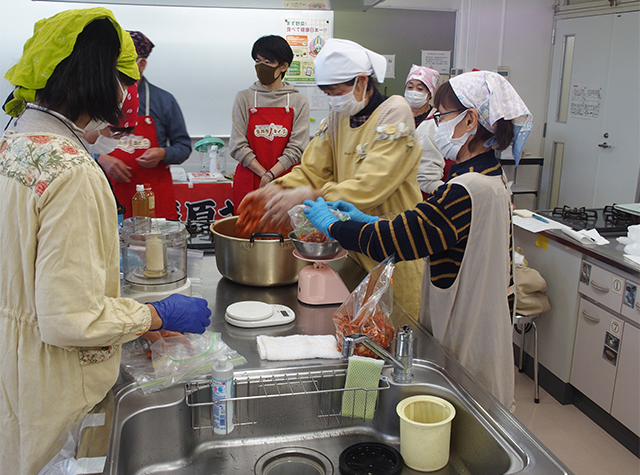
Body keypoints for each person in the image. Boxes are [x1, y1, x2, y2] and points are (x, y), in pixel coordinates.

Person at [0, 10, 211, 473]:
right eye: (122, 81)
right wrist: (156, 312)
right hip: (52, 385)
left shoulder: (13, 143)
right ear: (100, 78)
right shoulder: (73, 171)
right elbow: (70, 319)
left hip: (14, 367)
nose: (124, 96)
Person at [303, 71, 533, 411]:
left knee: (461, 422)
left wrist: (334, 227)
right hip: (477, 321)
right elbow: (421, 228)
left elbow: (397, 242)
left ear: (471, 119)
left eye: (441, 115)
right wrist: (370, 220)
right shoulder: (486, 178)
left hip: (467, 333)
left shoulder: (467, 189)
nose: (435, 124)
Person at [250, 38, 424, 318]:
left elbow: (371, 187)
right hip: (352, 245)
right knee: (357, 331)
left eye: (335, 91)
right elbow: (312, 169)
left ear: (362, 82)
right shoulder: (338, 116)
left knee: (391, 331)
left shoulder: (394, 113)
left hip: (392, 244)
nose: (332, 99)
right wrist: (276, 189)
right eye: (326, 92)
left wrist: (309, 195)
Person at [96, 30, 192, 219]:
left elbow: (183, 146)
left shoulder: (163, 100)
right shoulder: (98, 99)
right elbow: (77, 143)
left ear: (142, 64)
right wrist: (100, 158)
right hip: (110, 197)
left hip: (153, 198)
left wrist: (163, 153)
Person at [229, 35, 310, 206]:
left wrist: (271, 175)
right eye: (258, 61)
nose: (261, 67)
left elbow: (297, 147)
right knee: (246, 230)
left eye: (268, 62)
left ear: (284, 66)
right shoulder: (244, 98)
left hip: (286, 181)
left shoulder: (298, 101)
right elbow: (237, 145)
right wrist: (263, 174)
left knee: (283, 230)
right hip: (249, 180)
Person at [403, 64, 449, 195]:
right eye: (410, 87)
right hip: (400, 186)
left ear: (429, 94)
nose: (414, 92)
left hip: (428, 188)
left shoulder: (439, 120)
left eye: (420, 88)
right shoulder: (398, 116)